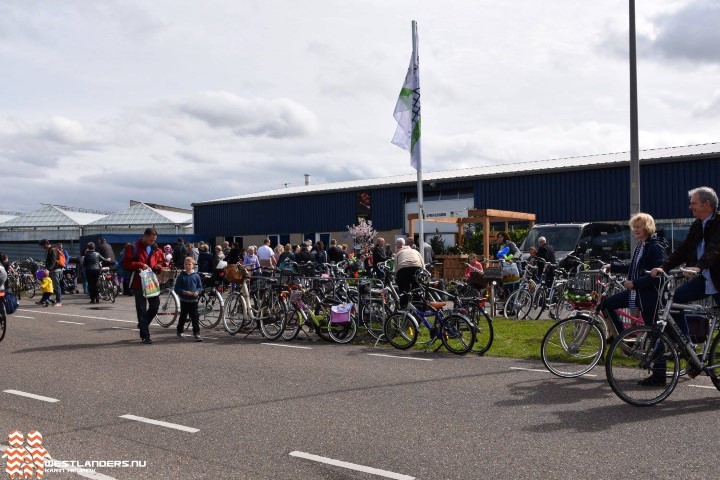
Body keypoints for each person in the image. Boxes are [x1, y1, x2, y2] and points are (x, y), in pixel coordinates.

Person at [651, 186, 720, 381]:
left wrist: (698, 267)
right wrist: (663, 267)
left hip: (717, 280)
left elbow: (715, 250)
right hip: (704, 280)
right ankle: (687, 347)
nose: (690, 207)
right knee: (674, 299)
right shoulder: (698, 225)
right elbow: (683, 250)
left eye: (694, 203)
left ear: (707, 205)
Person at [602, 213, 666, 341]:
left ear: (647, 227)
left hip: (648, 295)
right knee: (607, 304)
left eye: (639, 227)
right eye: (634, 227)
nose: (635, 230)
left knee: (652, 330)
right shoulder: (641, 246)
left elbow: (658, 275)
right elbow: (634, 266)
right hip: (637, 292)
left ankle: (660, 361)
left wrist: (634, 283)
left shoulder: (655, 247)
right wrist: (613, 266)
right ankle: (622, 336)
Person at [122, 228, 165, 344]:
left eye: (154, 240)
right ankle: (145, 336)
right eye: (151, 240)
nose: (152, 242)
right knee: (141, 309)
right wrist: (140, 264)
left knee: (155, 306)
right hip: (138, 282)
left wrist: (158, 267)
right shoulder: (133, 247)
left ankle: (142, 324)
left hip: (151, 281)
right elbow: (126, 263)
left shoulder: (155, 248)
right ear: (144, 236)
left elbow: (160, 262)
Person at [174, 257, 204, 342]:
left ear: (193, 265)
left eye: (189, 264)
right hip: (184, 300)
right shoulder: (181, 276)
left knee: (195, 317)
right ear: (184, 265)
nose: (187, 266)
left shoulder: (196, 276)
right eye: (186, 264)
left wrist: (197, 292)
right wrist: (184, 292)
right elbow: (177, 289)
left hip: (194, 300)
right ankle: (179, 331)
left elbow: (200, 287)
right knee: (183, 317)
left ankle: (197, 333)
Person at [394, 237, 425, 308]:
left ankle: (404, 308)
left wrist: (396, 276)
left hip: (403, 269)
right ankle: (417, 307)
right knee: (417, 289)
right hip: (417, 268)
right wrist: (422, 274)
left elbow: (396, 267)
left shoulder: (399, 252)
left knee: (404, 290)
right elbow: (422, 263)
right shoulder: (416, 251)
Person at [38, 240, 62, 306]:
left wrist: (48, 269)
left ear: (46, 244)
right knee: (48, 286)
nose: (42, 247)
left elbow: (53, 261)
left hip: (54, 271)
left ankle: (59, 301)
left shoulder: (53, 250)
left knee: (56, 286)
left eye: (42, 245)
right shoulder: (49, 250)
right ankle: (43, 300)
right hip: (51, 270)